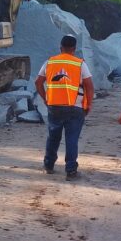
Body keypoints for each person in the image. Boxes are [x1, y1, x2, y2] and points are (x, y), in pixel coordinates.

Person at [34, 35, 95, 181]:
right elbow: (89, 86)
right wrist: (88, 105)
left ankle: (49, 165)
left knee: (53, 136)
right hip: (75, 108)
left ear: (60, 47)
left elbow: (38, 82)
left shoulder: (50, 62)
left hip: (54, 106)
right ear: (74, 49)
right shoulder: (80, 64)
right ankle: (71, 171)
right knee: (72, 139)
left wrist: (45, 99)